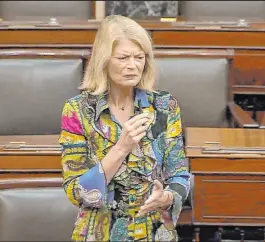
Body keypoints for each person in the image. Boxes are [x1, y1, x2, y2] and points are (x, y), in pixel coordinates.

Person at [59, 15, 191, 242]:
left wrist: (167, 197)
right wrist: (121, 147)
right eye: (123, 57)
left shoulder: (164, 106)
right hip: (98, 231)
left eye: (139, 57)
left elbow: (180, 175)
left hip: (153, 230)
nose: (133, 65)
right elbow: (77, 192)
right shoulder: (77, 110)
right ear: (104, 60)